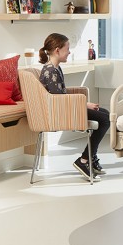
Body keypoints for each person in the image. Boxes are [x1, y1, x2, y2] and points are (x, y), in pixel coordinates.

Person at [38, 32, 109, 180]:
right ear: (57, 50)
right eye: (67, 48)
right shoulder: (50, 70)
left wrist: (84, 104)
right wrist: (85, 104)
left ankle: (90, 157)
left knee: (105, 114)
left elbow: (61, 95)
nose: (69, 52)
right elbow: (59, 100)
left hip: (65, 107)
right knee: (105, 119)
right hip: (61, 111)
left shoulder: (54, 68)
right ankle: (84, 160)